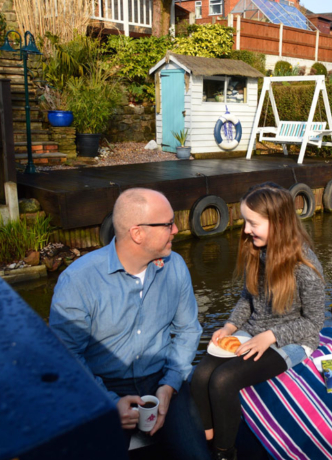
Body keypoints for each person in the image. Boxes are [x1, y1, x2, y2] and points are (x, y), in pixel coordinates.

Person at [49, 188, 209, 459]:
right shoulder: (78, 281)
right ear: (137, 233)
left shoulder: (176, 266)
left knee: (196, 455)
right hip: (102, 385)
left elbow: (187, 330)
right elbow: (66, 356)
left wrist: (170, 385)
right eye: (168, 223)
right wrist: (107, 403)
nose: (178, 229)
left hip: (160, 377)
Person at [191, 182, 326, 460]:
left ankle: (224, 453)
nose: (245, 230)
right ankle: (207, 437)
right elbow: (247, 299)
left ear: (278, 222)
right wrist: (229, 326)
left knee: (223, 380)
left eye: (253, 223)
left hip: (292, 341)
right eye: (245, 222)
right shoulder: (257, 251)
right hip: (253, 330)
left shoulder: (305, 266)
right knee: (201, 374)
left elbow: (314, 324)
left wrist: (271, 336)